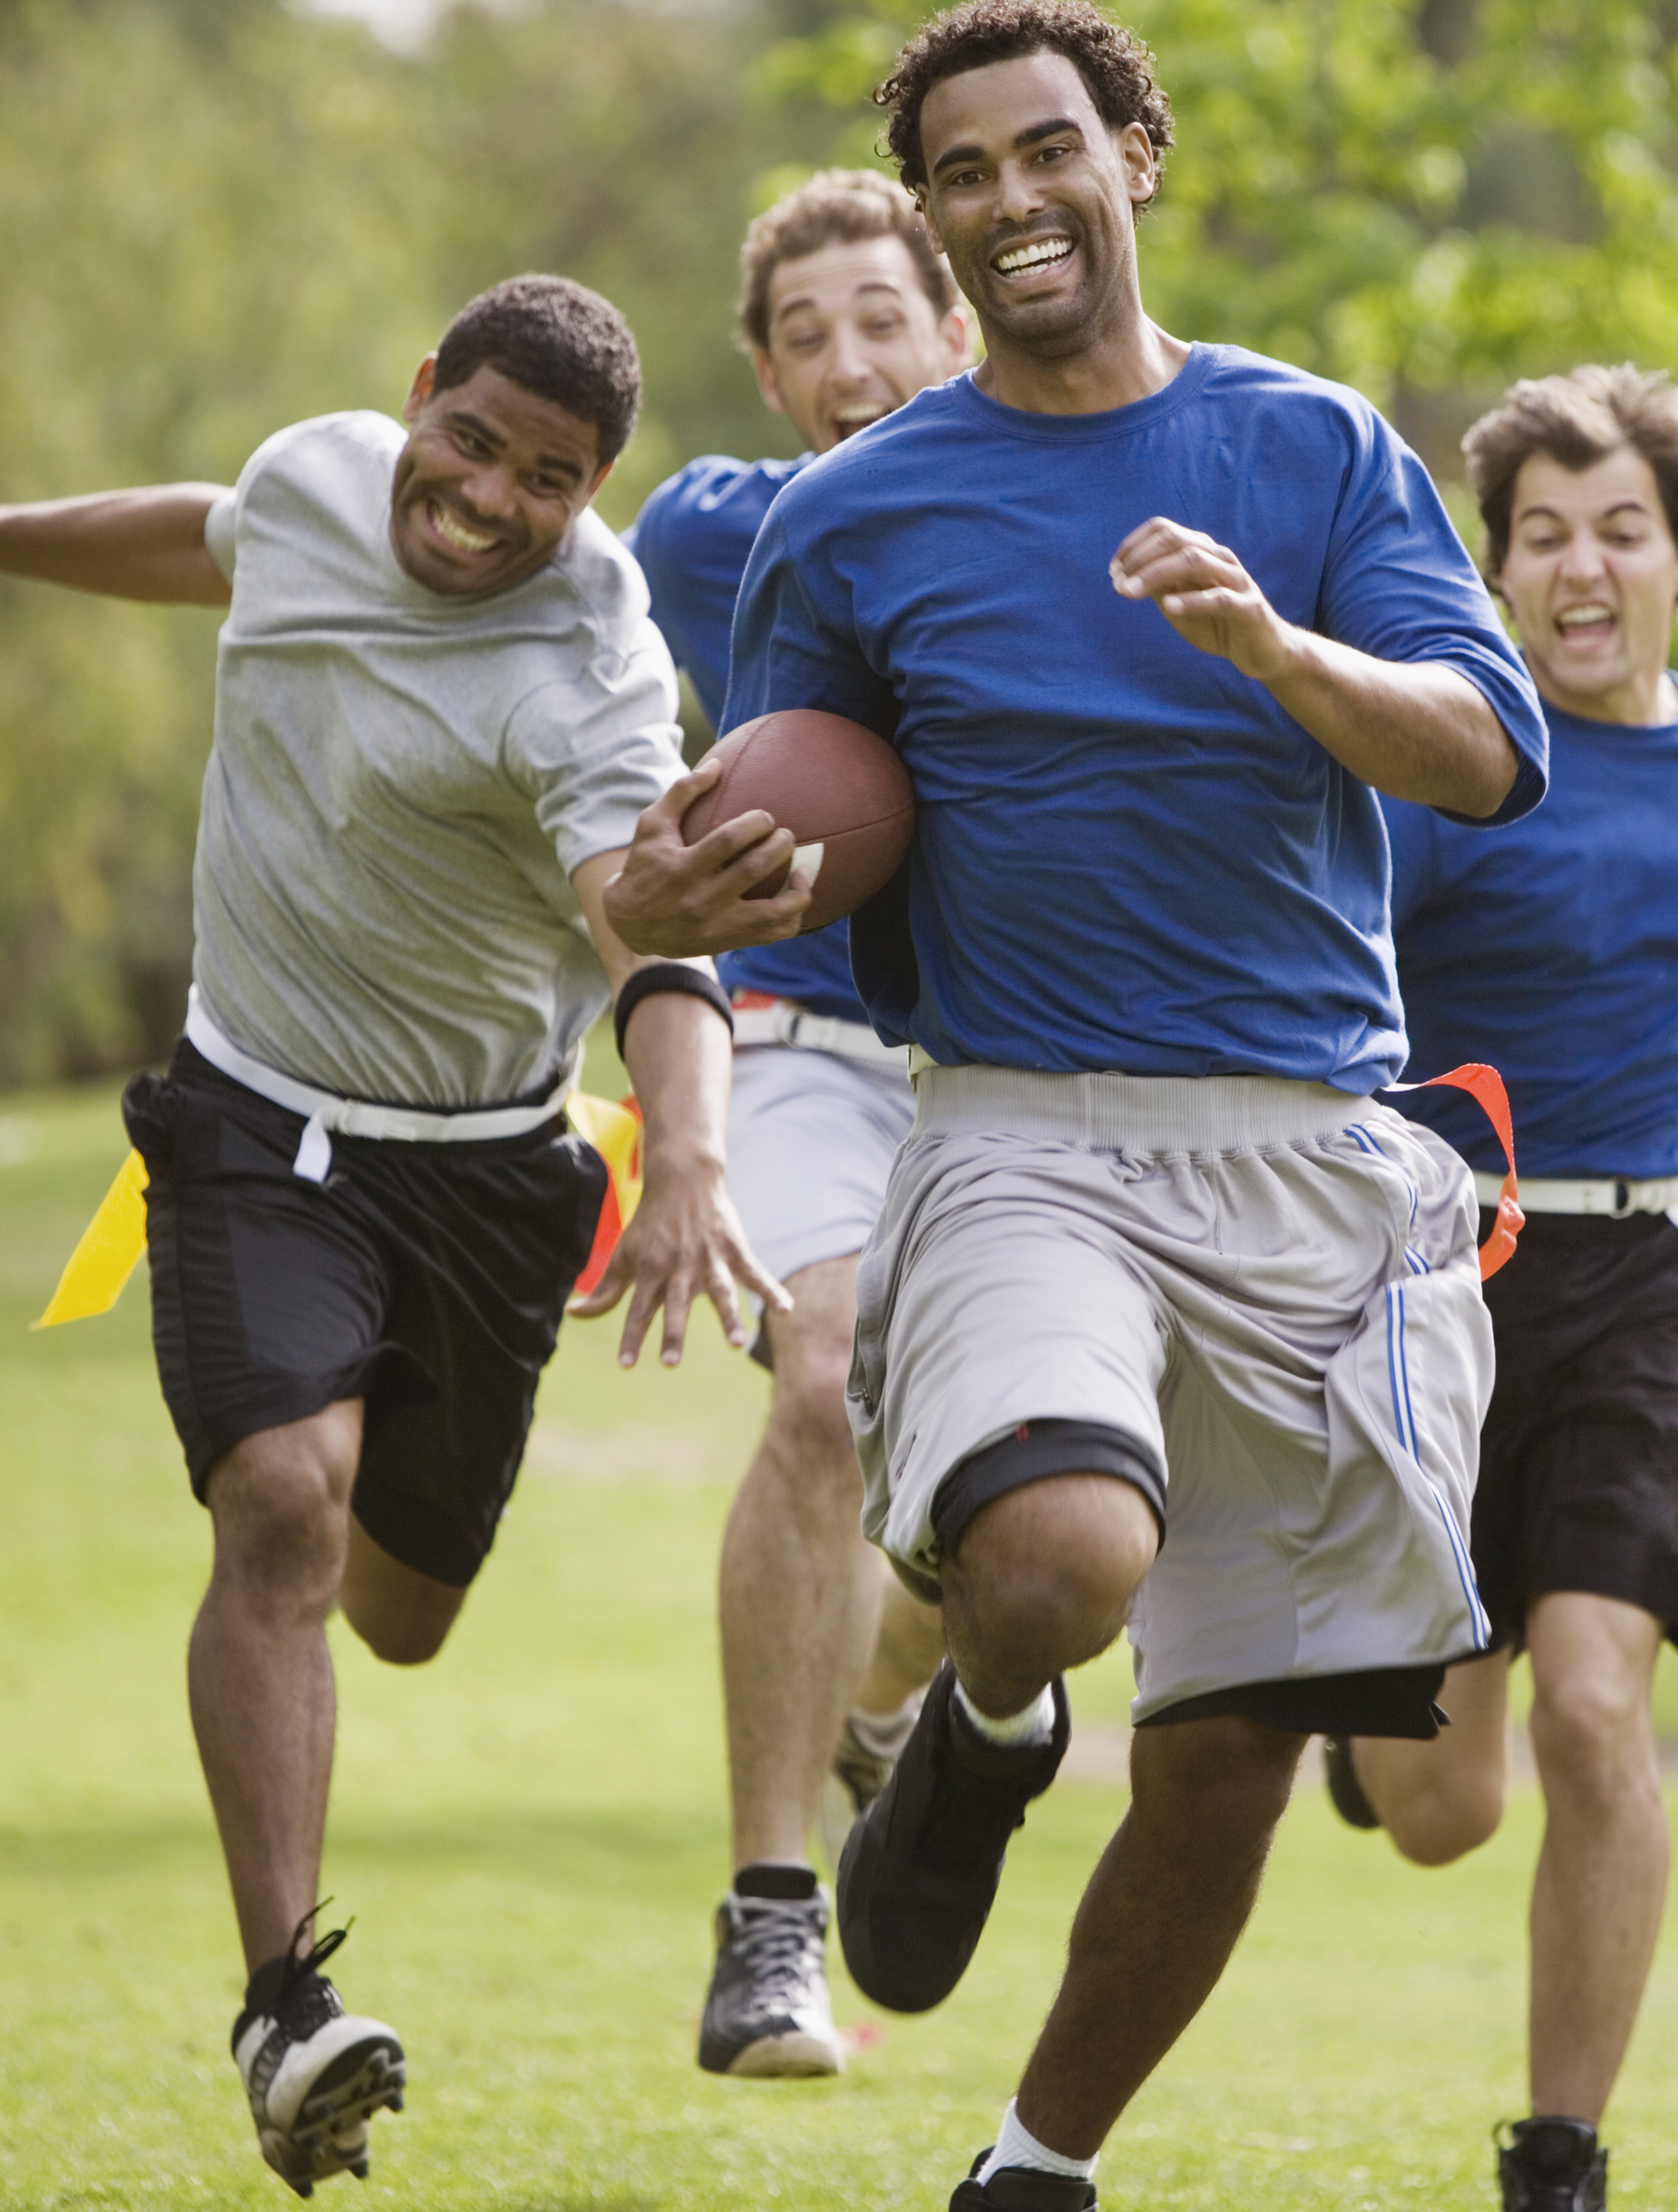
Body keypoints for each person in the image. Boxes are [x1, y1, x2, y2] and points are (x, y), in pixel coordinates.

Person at [604, 4, 1549, 2203]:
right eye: (965, 170)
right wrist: (675, 888)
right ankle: (994, 1707)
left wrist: (1284, 663)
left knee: (1227, 1760)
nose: (1014, 198)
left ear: (1138, 153)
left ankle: (1037, 2161)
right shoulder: (847, 522)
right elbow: (784, 827)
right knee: (1055, 1551)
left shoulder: (1312, 452)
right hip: (1027, 1122)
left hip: (1310, 1145)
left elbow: (1488, 756)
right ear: (937, 211)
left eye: (1051, 151)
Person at [0, 276, 786, 2199]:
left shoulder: (596, 663)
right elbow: (203, 540)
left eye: (544, 480)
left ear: (592, 493)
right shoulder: (320, 479)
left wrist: (699, 1156)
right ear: (421, 397)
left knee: (398, 1608)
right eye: (468, 440)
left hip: (485, 1172)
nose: (483, 498)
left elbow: (642, 925)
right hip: (254, 1118)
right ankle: (285, 2005)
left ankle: (314, 1810)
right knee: (282, 1506)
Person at [1323, 365, 1678, 2212]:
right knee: (1441, 1809)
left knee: (1590, 1705)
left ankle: (1557, 2151)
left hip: (1652, 1269)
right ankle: (1366, 1727)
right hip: (1435, 1270)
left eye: (1617, 531)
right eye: (1540, 537)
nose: (1579, 567)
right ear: (1493, 572)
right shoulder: (1443, 770)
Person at [625, 168, 973, 2082]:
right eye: (804, 331)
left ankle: (876, 1703)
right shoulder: (714, 531)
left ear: (950, 328)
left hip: (1020, 1064)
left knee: (1018, 1511)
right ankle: (769, 1923)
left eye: (877, 317)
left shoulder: (1075, 520)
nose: (846, 358)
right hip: (806, 1036)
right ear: (765, 373)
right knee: (821, 1372)